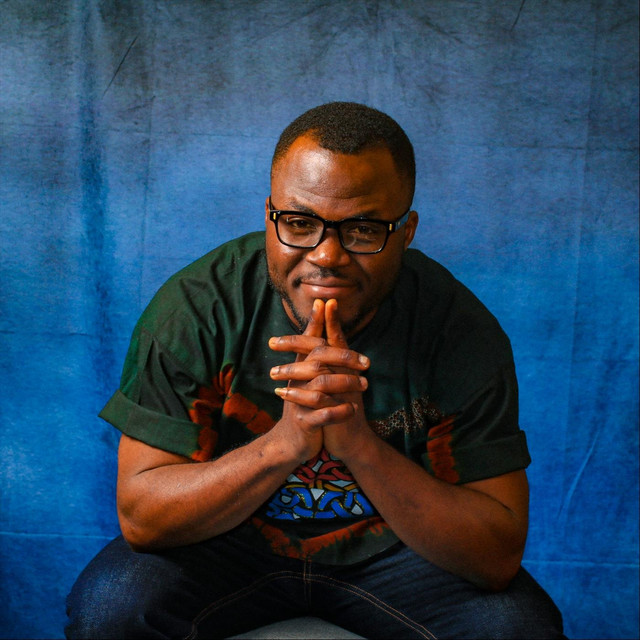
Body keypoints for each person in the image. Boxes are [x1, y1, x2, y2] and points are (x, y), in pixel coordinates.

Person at [66, 102, 565, 639]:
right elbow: (142, 518)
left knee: (518, 629)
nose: (327, 255)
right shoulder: (197, 309)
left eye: (363, 229)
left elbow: (495, 556)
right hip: (227, 545)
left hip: (397, 554)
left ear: (406, 231)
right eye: (300, 224)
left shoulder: (459, 332)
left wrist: (359, 445)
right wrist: (285, 444)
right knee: (110, 609)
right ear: (269, 216)